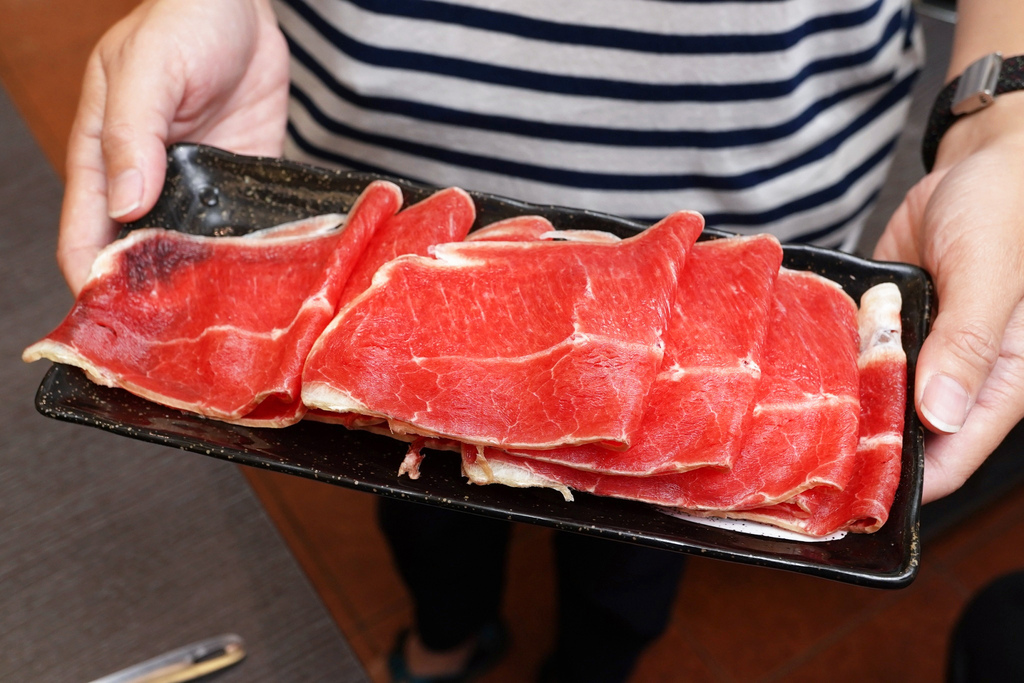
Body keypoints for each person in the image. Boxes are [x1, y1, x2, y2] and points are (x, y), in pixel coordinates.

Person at [54, 1, 1024, 681]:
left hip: (735, 261)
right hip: (390, 219)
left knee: (647, 527)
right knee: (416, 490)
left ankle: (589, 665)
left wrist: (1002, 110)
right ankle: (449, 631)